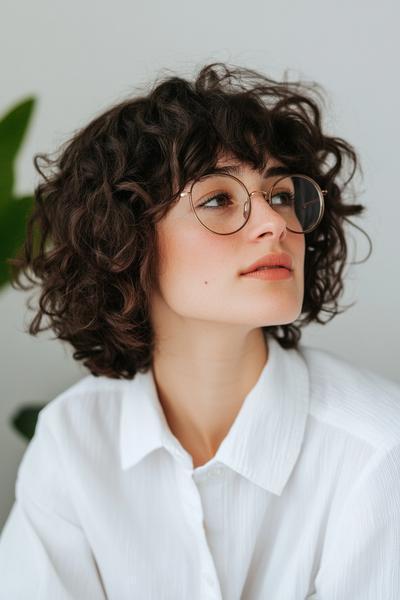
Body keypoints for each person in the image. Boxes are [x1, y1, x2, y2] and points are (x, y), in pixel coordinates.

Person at [1, 62, 399, 599]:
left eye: (282, 194)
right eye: (218, 199)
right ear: (125, 240)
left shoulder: (379, 447)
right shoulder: (73, 438)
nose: (275, 223)